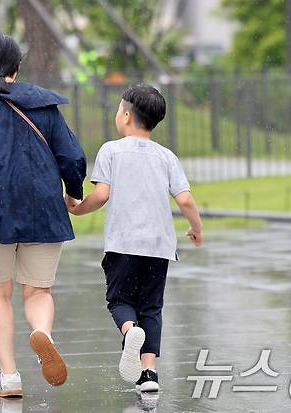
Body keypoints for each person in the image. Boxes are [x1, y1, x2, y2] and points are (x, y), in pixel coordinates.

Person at [0, 33, 87, 397]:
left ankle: (10, 377)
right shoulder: (46, 106)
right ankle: (42, 332)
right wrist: (73, 191)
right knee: (38, 290)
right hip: (44, 210)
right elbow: (71, 155)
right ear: (18, 67)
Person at [67, 84, 202, 393]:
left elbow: (101, 195)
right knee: (152, 307)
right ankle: (149, 374)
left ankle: (129, 332)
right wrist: (196, 228)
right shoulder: (166, 156)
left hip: (123, 243)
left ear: (126, 116)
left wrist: (77, 209)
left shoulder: (111, 150)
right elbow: (185, 200)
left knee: (120, 300)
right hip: (159, 246)